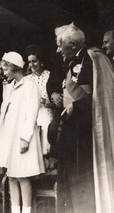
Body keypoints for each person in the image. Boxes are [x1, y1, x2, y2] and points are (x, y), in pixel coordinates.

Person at [53, 23, 114, 213]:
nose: (57, 49)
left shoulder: (93, 58)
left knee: (83, 182)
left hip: (86, 134)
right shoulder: (72, 61)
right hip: (72, 132)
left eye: (60, 45)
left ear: (72, 45)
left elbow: (101, 96)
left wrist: (76, 105)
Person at [0, 52, 45, 213]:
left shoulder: (30, 84)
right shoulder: (9, 86)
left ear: (13, 67)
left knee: (23, 176)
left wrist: (25, 138)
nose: (3, 72)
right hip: (9, 137)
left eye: (5, 68)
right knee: (12, 175)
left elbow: (32, 112)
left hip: (22, 136)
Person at [25, 45, 53, 155]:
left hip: (47, 111)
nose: (31, 64)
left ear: (41, 61)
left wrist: (46, 101)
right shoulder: (27, 79)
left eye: (34, 61)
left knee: (46, 128)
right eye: (29, 62)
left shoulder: (50, 75)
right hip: (33, 113)